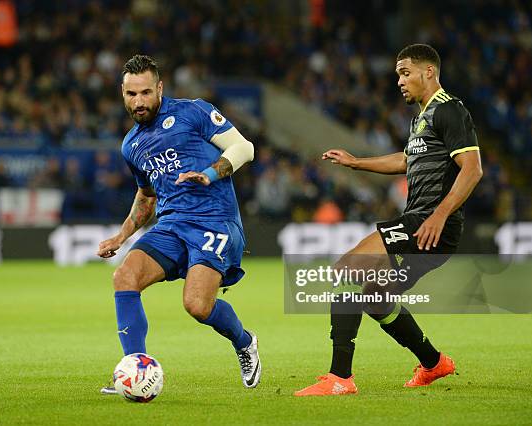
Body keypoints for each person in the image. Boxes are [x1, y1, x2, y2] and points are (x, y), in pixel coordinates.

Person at [295, 44, 483, 396]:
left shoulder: (450, 110)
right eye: (398, 73)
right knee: (376, 296)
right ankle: (434, 363)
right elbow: (405, 160)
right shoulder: (421, 118)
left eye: (405, 72)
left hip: (430, 222)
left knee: (348, 268)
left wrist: (439, 215)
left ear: (429, 72)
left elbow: (472, 169)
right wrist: (357, 162)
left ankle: (340, 378)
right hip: (423, 221)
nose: (399, 80)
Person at [97, 55, 260, 393]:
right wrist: (122, 235)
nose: (138, 102)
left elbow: (244, 148)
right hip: (171, 225)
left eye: (145, 93)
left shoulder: (193, 112)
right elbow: (146, 196)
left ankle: (244, 341)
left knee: (197, 306)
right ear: (122, 94)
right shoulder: (132, 145)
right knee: (124, 276)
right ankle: (135, 370)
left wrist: (210, 173)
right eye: (131, 95)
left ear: (159, 88)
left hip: (214, 220)